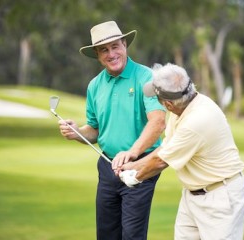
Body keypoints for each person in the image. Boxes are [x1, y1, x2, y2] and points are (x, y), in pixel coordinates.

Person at [58, 21, 166, 240]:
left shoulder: (145, 77)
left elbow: (158, 122)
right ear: (97, 55)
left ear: (124, 45)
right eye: (104, 50)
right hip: (107, 166)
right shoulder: (95, 85)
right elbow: (95, 131)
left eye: (115, 46)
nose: (111, 54)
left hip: (141, 166)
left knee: (132, 235)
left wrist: (132, 153)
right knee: (107, 234)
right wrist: (78, 131)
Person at [119, 63, 244, 240]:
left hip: (221, 197)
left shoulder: (196, 121)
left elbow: (161, 162)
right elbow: (166, 148)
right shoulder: (181, 108)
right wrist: (132, 165)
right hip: (192, 194)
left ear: (168, 104)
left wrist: (135, 177)